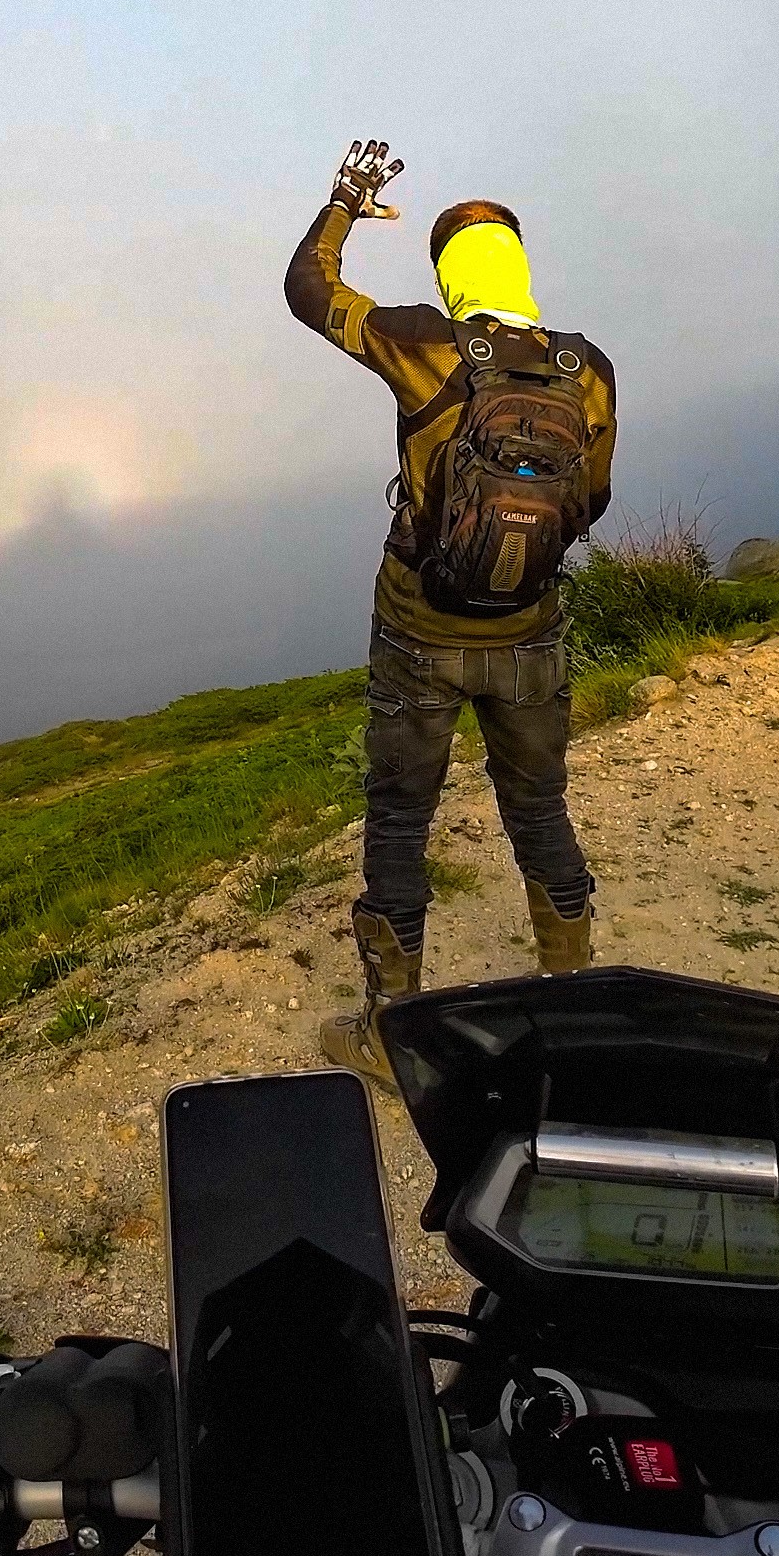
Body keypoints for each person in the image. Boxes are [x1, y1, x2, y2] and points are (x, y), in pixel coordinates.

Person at [284, 139, 618, 1085]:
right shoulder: (584, 367)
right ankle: (572, 998)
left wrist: (347, 200)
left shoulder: (426, 342)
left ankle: (392, 1036)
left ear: (449, 272)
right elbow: (589, 502)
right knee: (539, 806)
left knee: (399, 820)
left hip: (419, 632)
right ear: (518, 264)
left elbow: (309, 291)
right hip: (529, 633)